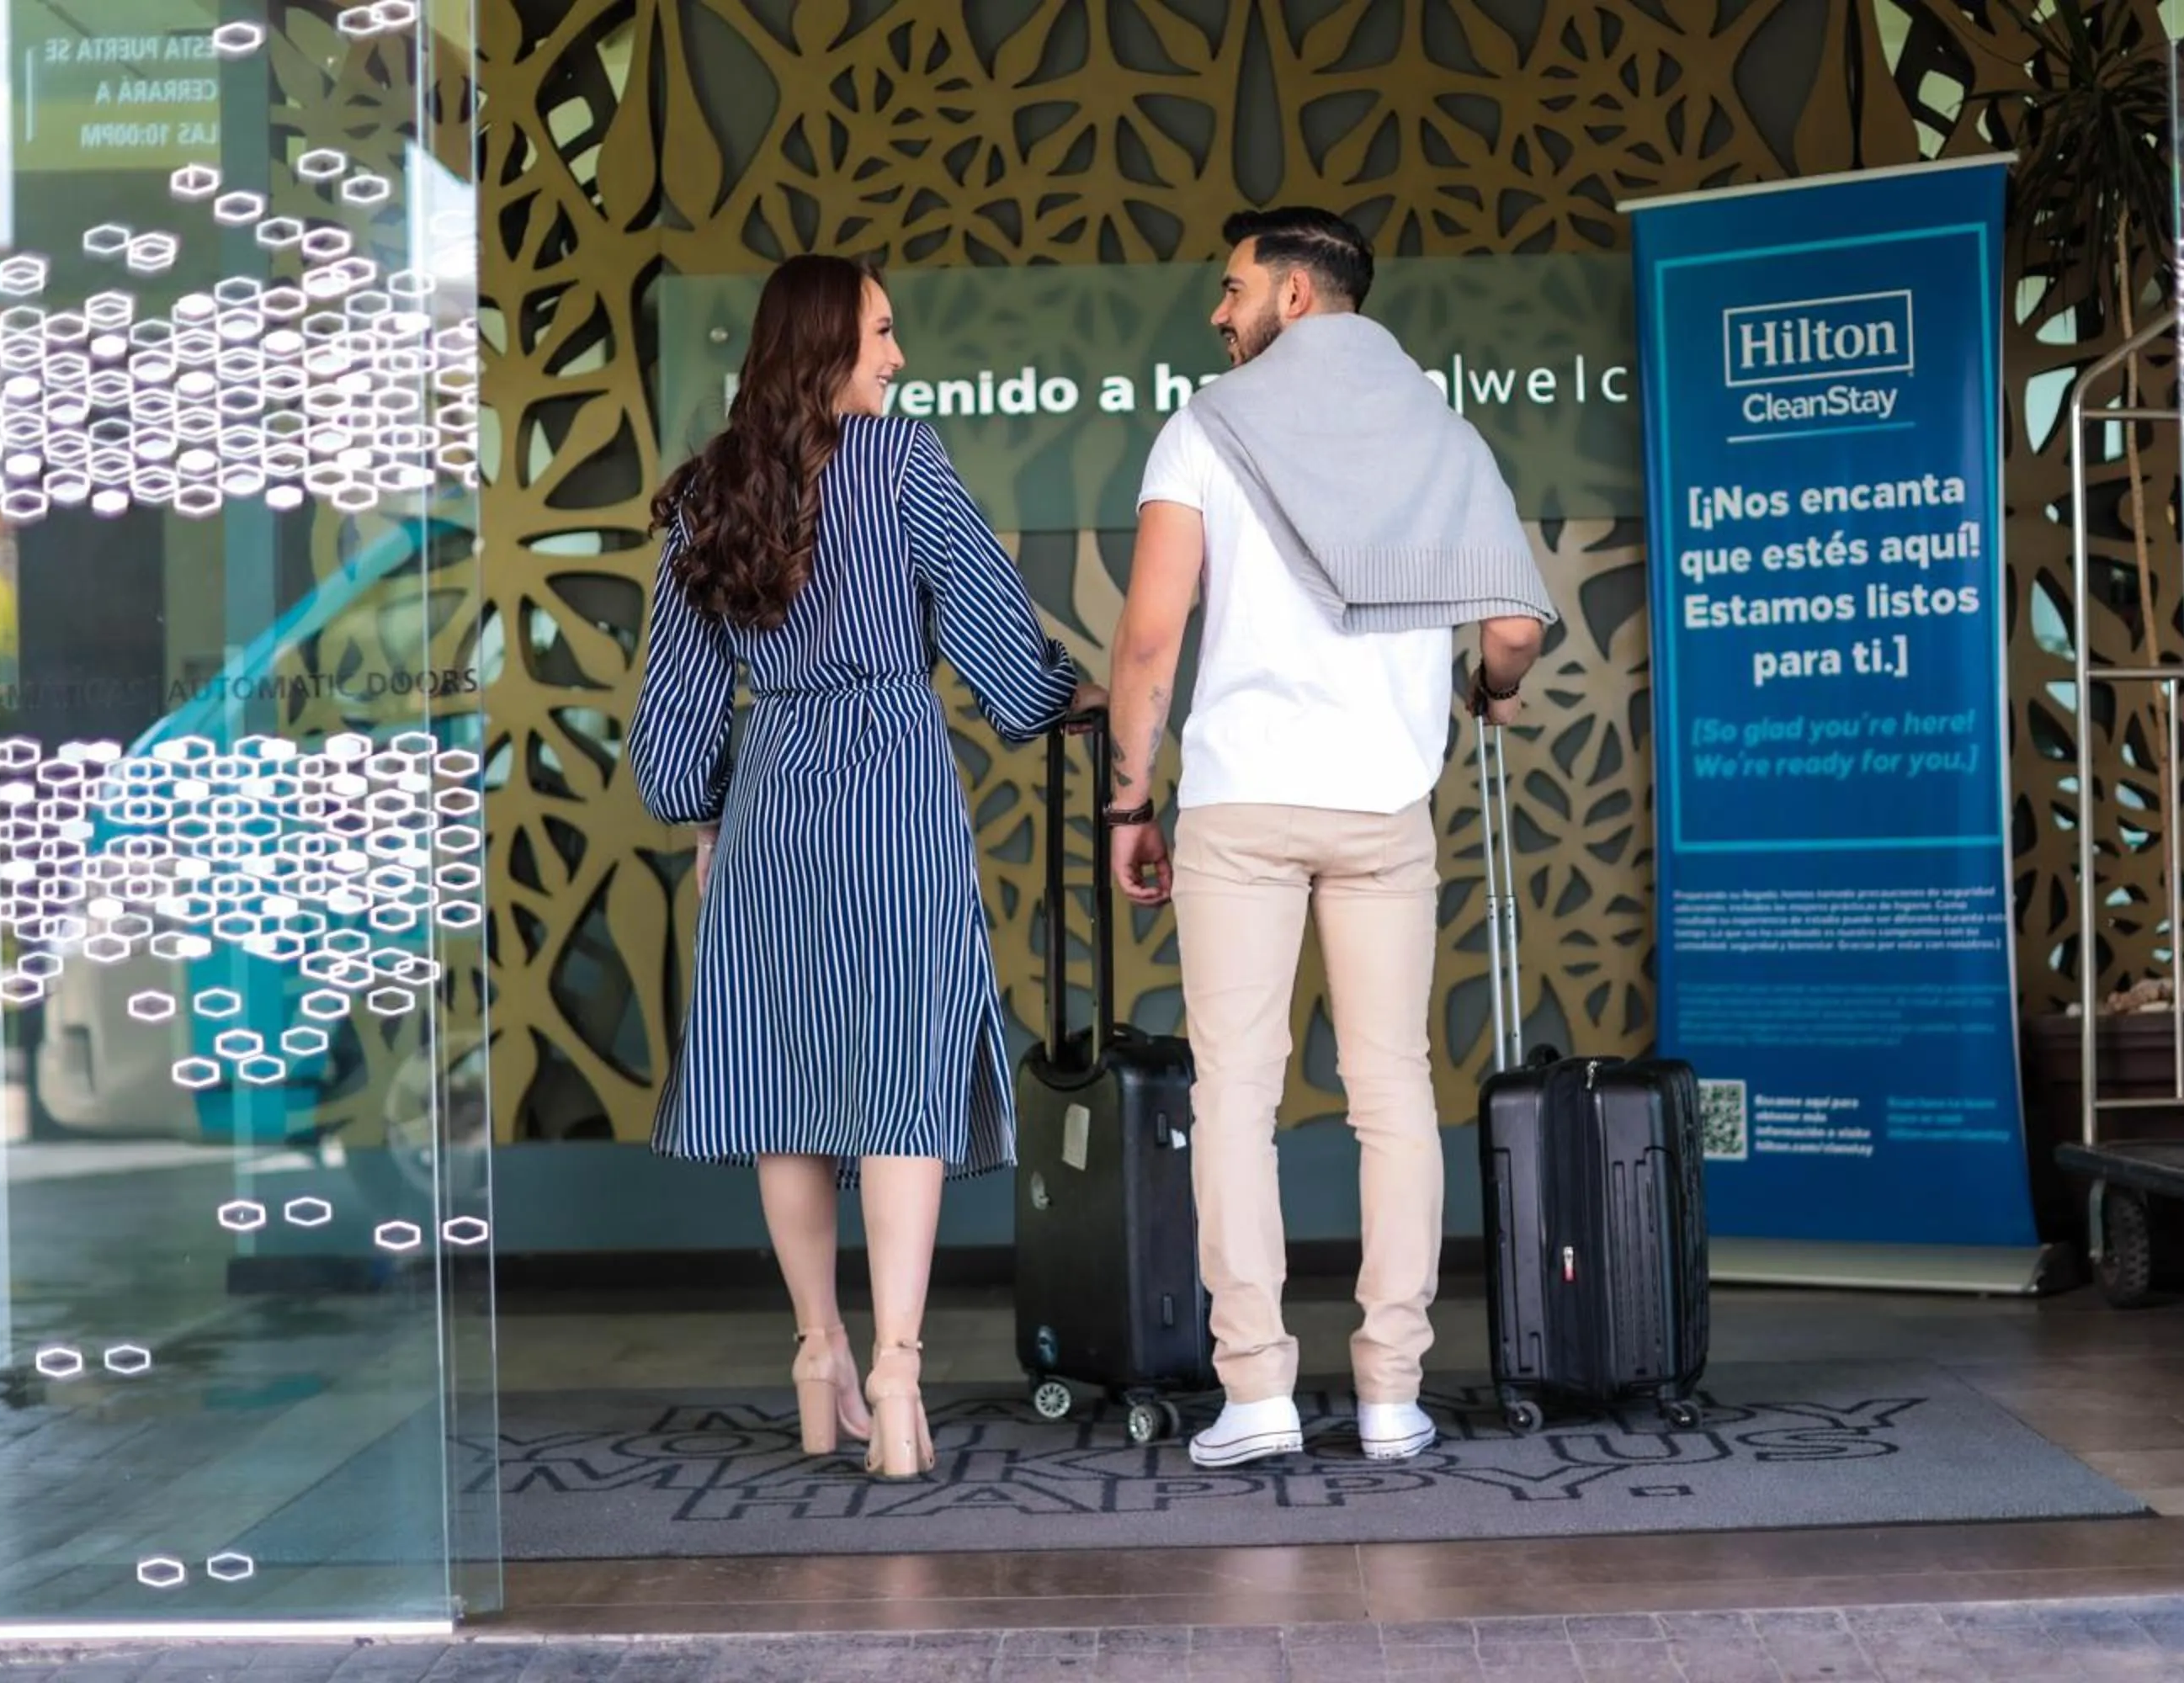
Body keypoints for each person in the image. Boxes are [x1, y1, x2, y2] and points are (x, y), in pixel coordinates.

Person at [628, 254, 1102, 1481]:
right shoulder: (902, 464)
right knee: (900, 1074)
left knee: (787, 1083)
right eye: (882, 334)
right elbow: (997, 634)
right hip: (892, 781)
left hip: (772, 799)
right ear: (827, 345)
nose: (898, 358)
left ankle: (814, 1350)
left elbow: (673, 718)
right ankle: (895, 1369)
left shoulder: (708, 493)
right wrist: (1068, 697)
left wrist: (703, 823)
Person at [1103, 208, 1554, 1468]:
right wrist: (1487, 693)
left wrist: (1129, 807)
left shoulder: (1202, 428)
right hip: (1382, 809)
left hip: (1243, 805)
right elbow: (1514, 631)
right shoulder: (1445, 435)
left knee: (1237, 1099)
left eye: (1232, 285)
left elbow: (1148, 643)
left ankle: (1255, 1397)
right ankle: (1393, 1394)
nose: (1218, 310)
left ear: (1294, 295)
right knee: (1393, 1095)